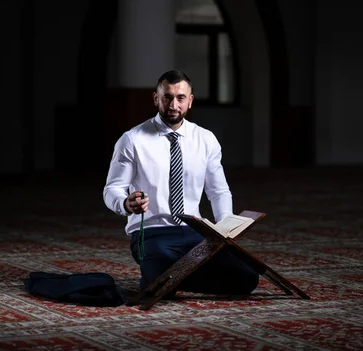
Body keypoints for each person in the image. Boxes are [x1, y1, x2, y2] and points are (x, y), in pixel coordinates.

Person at [103, 70, 259, 297]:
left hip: (194, 231)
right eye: (167, 97)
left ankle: (166, 281)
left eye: (180, 98)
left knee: (247, 277)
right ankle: (163, 279)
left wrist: (224, 229)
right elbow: (112, 189)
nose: (173, 104)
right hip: (152, 234)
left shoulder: (206, 139)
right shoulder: (132, 139)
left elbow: (218, 191)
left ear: (190, 101)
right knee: (163, 265)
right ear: (156, 99)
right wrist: (125, 203)